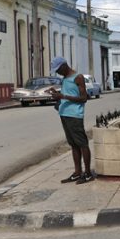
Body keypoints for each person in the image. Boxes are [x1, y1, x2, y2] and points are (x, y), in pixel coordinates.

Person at [48, 56, 95, 184]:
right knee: (73, 144)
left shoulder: (78, 77)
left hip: (75, 115)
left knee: (82, 144)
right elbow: (69, 94)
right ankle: (77, 172)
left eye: (58, 70)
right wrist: (57, 94)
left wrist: (63, 96)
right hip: (64, 114)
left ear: (64, 65)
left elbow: (84, 98)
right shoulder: (65, 79)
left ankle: (88, 173)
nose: (58, 72)